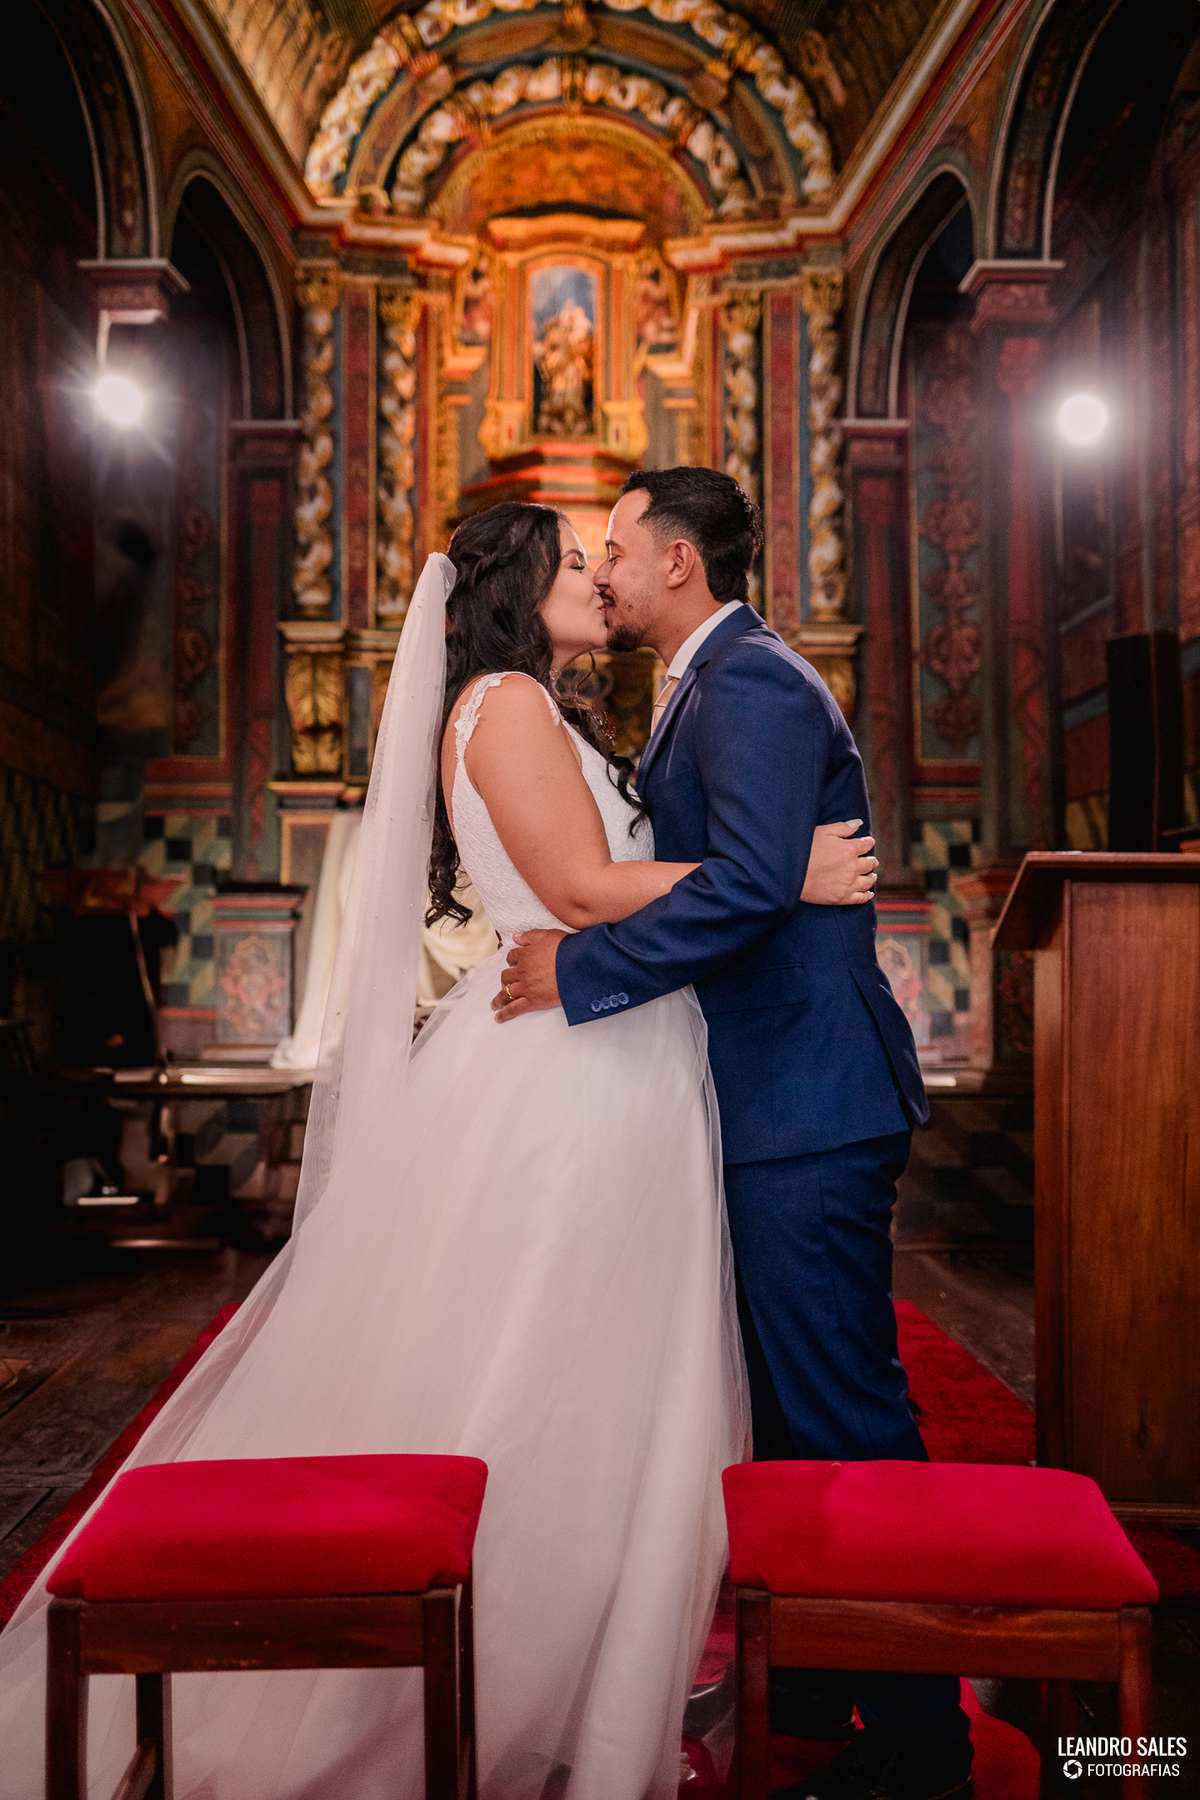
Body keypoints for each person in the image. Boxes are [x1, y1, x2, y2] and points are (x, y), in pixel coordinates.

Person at [0, 501, 872, 1800]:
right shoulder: (506, 703)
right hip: (572, 1081)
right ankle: (481, 1669)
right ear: (517, 589)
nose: (599, 577)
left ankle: (582, 1670)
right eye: (575, 561)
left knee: (604, 1375)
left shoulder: (549, 706)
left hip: (622, 1060)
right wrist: (777, 874)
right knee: (544, 1373)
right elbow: (577, 891)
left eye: (606, 555)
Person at [496, 469, 976, 1800]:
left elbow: (755, 888)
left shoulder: (750, 681)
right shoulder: (709, 679)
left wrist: (581, 972)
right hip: (771, 1098)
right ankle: (815, 1673)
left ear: (678, 562)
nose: (603, 570)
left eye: (615, 548)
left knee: (844, 1412)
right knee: (786, 1415)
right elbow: (756, 873)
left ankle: (925, 1743)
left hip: (805, 1106)